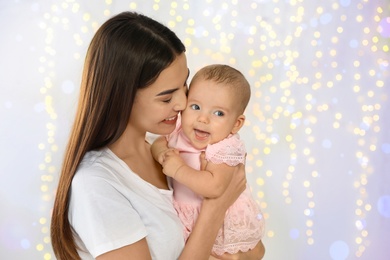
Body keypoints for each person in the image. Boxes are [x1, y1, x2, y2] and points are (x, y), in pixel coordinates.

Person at [50, 11, 265, 260]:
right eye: (166, 97)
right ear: (123, 96)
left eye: (185, 86)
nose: (183, 103)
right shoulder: (97, 185)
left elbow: (255, 251)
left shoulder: (166, 146)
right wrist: (216, 206)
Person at [152, 64, 265, 257]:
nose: (203, 119)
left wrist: (178, 169)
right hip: (189, 218)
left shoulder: (225, 147)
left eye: (218, 113)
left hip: (222, 224)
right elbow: (157, 142)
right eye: (195, 107)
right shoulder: (178, 129)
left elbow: (215, 188)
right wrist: (162, 153)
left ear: (236, 124)